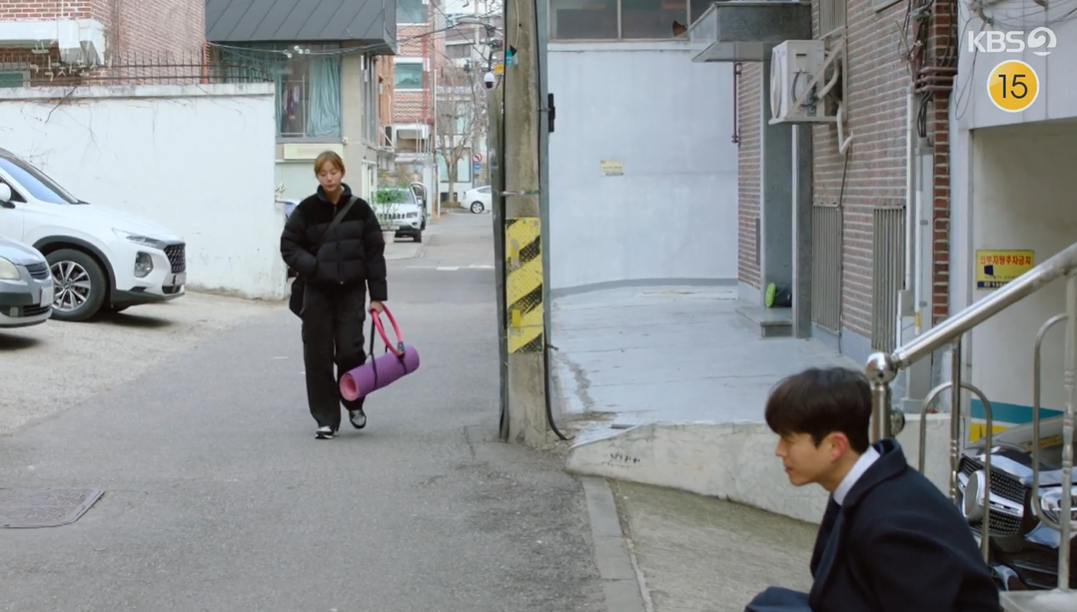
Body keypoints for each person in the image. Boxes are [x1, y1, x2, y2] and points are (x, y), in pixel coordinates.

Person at [745, 366, 1000, 612]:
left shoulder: (892, 524)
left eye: (789, 440)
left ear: (835, 446)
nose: (779, 451)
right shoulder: (867, 482)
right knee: (767, 603)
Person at [280, 151, 387, 440]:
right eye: (323, 173)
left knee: (351, 350)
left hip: (351, 291)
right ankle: (326, 419)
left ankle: (353, 401)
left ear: (342, 172)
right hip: (317, 292)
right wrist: (312, 266)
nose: (329, 178)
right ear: (317, 176)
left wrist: (377, 296)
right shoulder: (306, 210)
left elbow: (375, 253)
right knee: (318, 356)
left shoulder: (360, 210)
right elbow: (288, 245)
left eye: (333, 172)